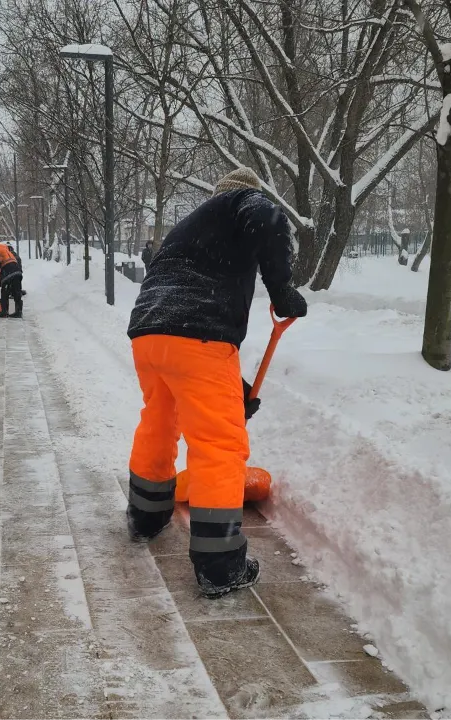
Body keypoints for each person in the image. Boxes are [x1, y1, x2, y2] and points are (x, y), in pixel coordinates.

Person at [124, 167, 307, 598]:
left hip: (149, 334)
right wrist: (282, 291)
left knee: (159, 422)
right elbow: (269, 217)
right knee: (219, 445)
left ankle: (146, 519)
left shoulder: (190, 226)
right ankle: (220, 565)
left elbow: (191, 351)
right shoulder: (243, 202)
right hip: (199, 335)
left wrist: (234, 389)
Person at [0, 242, 24, 318]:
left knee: (5, 292)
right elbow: (4, 275)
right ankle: (18, 312)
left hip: (9, 272)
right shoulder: (7, 252)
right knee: (16, 292)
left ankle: (4, 311)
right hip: (17, 272)